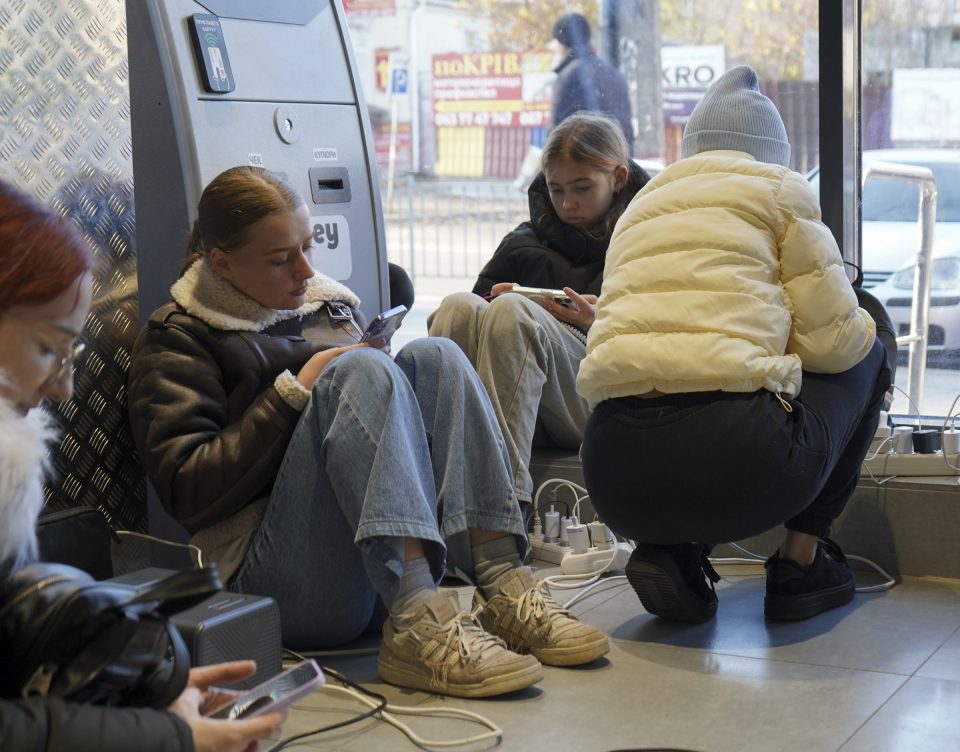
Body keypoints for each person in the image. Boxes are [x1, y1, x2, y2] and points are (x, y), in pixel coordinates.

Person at [126, 166, 609, 699]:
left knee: (436, 355)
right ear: (221, 263)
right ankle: (414, 626)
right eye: (280, 258)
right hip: (270, 581)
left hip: (375, 565)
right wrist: (296, 392)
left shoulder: (326, 307)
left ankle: (502, 582)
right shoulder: (178, 335)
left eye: (308, 247)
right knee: (359, 370)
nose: (305, 270)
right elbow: (189, 493)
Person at [577, 66, 895, 624]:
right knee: (868, 338)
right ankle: (802, 562)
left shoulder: (641, 206)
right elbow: (836, 344)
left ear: (694, 146)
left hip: (611, 473)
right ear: (772, 151)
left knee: (682, 372)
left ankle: (673, 548)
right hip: (739, 464)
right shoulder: (777, 188)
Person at [0, 179, 282, 751]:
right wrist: (164, 736)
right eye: (49, 349)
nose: (63, 388)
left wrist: (131, 690)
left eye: (72, 354)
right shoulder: (178, 341)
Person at [428, 112, 650, 512]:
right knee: (458, 306)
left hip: (597, 397)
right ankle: (436, 489)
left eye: (582, 188)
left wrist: (598, 322)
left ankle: (501, 508)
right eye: (556, 189)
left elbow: (665, 339)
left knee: (514, 312)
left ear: (618, 179)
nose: (568, 204)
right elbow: (469, 316)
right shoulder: (522, 241)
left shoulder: (645, 238)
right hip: (514, 395)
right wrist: (490, 302)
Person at [549, 13, 634, 155]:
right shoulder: (614, 75)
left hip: (581, 168)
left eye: (555, 41)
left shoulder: (569, 76)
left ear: (563, 42)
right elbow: (627, 131)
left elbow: (556, 137)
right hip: (616, 166)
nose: (553, 46)